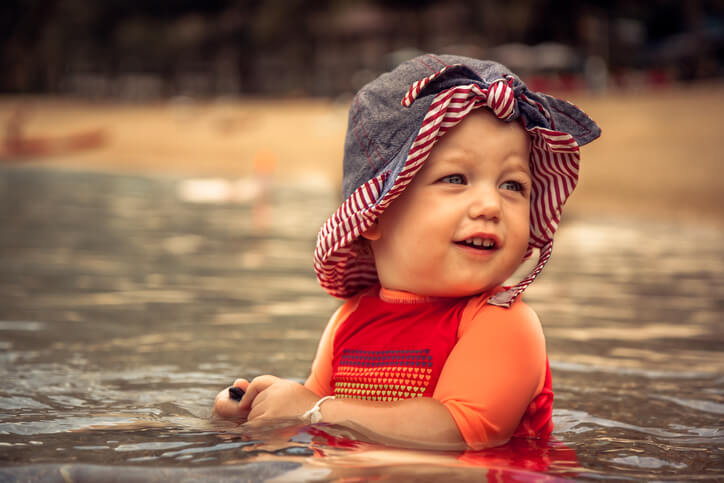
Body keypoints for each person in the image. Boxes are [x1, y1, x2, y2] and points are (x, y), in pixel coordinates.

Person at [213, 54, 601, 450]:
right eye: (456, 179)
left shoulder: (503, 324)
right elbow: (312, 411)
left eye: (513, 185)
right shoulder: (348, 320)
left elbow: (459, 431)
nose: (491, 205)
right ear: (375, 214)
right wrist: (258, 415)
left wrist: (314, 412)